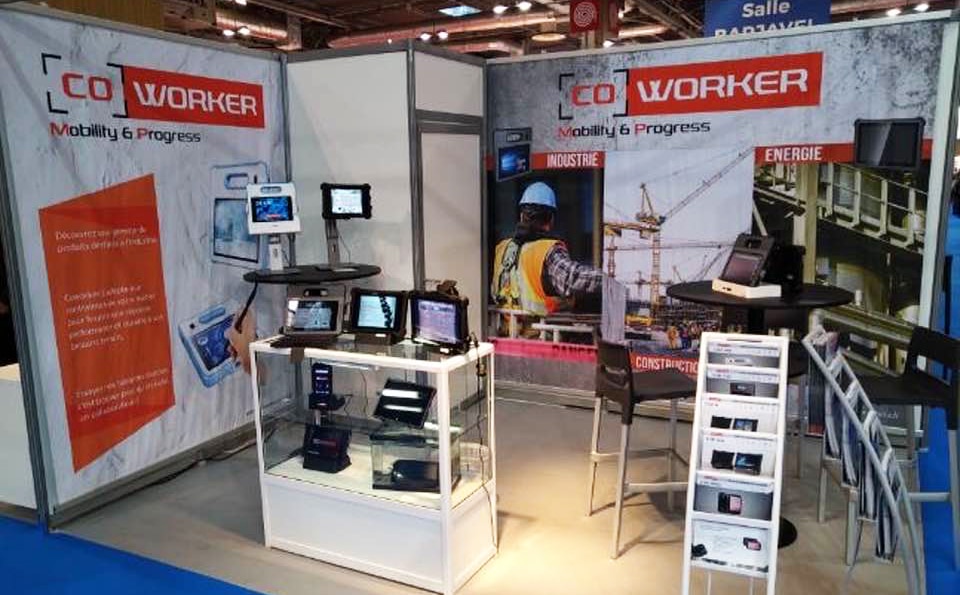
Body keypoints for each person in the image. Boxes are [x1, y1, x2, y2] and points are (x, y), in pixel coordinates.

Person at [492, 182, 603, 319]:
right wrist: (609, 280)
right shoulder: (547, 251)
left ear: (521, 216)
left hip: (505, 329)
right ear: (551, 219)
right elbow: (572, 279)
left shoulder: (502, 248)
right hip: (542, 330)